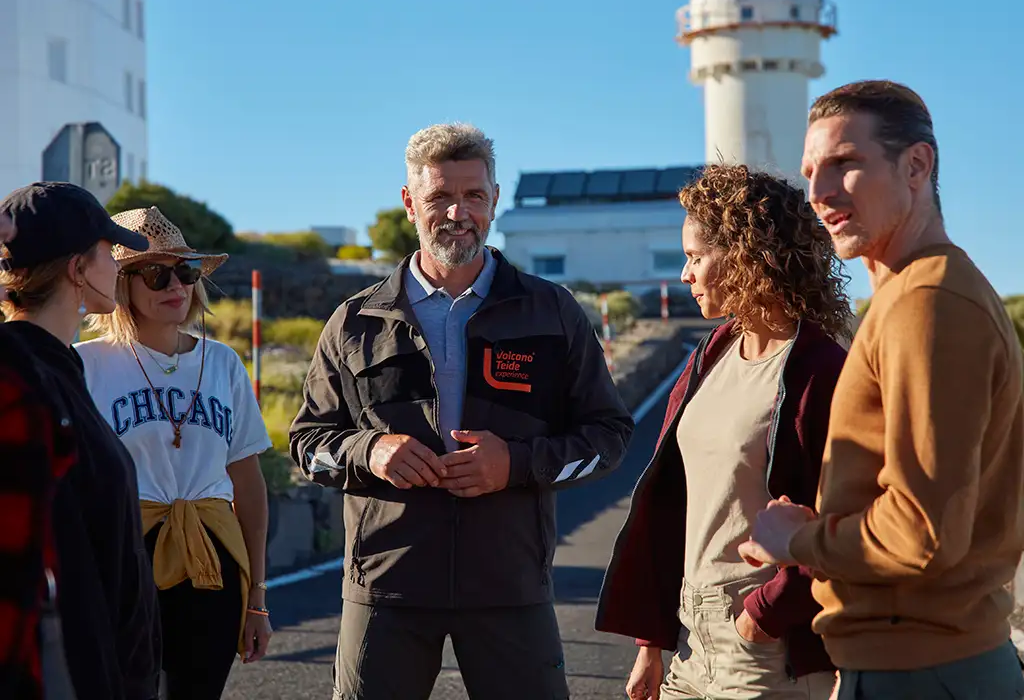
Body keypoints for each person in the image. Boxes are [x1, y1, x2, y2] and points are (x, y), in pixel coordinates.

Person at [289, 122, 634, 700]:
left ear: (494, 199)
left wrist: (516, 465)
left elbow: (609, 436)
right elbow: (308, 443)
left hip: (509, 585)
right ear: (408, 203)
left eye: (473, 195)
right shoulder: (354, 321)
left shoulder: (552, 312)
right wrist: (369, 451)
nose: (458, 213)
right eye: (439, 197)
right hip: (386, 586)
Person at [740, 80, 1024, 698]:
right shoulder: (908, 296)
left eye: (846, 165)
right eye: (811, 171)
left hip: (924, 671)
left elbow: (921, 533)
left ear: (916, 165)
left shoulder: (928, 303)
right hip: (913, 663)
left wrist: (798, 539)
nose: (818, 193)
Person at [595, 165, 850, 700]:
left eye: (694, 257)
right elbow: (675, 501)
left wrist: (761, 619)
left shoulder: (820, 370)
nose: (685, 275)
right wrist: (652, 641)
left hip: (768, 653)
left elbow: (842, 519)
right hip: (691, 641)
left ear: (745, 255)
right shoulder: (710, 356)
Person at [75, 206, 274, 700]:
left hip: (213, 560)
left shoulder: (224, 362)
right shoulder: (85, 363)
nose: (175, 285)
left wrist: (258, 600)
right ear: (121, 284)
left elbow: (247, 483)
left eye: (184, 271)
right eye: (155, 273)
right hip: (123, 557)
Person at [0, 182, 161, 700]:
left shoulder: (54, 368)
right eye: (107, 253)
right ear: (77, 269)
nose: (117, 266)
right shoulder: (24, 382)